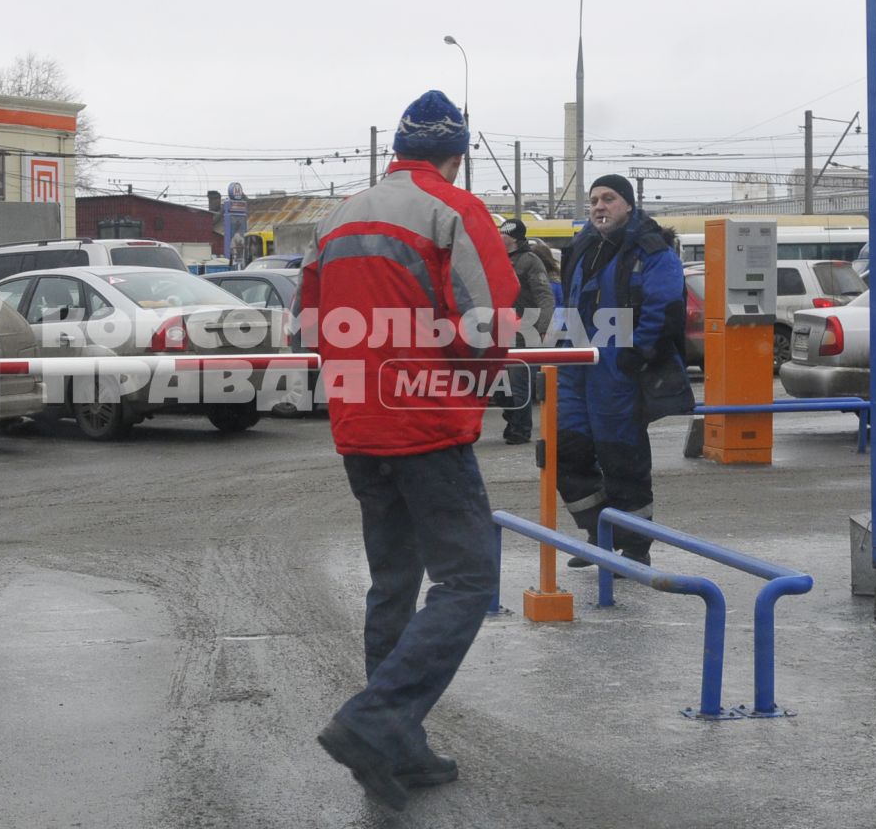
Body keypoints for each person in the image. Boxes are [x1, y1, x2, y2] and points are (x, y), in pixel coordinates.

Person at [297, 90, 519, 811]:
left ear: (397, 148)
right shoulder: (453, 210)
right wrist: (473, 390)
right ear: (457, 153)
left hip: (360, 423)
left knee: (393, 582)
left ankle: (398, 747)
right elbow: (489, 325)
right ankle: (375, 721)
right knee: (469, 581)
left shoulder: (339, 215)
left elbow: (306, 322)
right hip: (426, 422)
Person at [555, 174, 692, 567]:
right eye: (594, 199)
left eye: (609, 198)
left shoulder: (651, 250)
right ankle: (600, 534)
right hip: (575, 364)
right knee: (566, 450)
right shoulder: (581, 246)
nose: (599, 206)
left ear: (628, 205)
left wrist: (636, 356)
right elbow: (570, 302)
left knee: (622, 459)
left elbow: (665, 306)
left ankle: (634, 549)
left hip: (618, 369)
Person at [499, 219, 553, 444]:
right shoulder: (496, 259)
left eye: (504, 233)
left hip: (523, 329)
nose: (500, 236)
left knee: (518, 382)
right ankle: (513, 417)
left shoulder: (530, 261)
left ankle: (520, 430)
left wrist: (541, 327)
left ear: (515, 238)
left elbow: (544, 295)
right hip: (499, 329)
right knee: (499, 384)